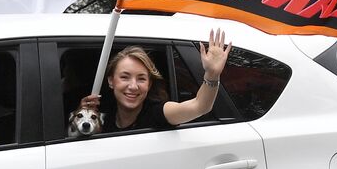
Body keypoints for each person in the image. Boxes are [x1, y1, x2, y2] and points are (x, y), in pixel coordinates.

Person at [79, 29, 232, 133]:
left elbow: (200, 106)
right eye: (125, 77)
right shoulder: (102, 112)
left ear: (149, 84)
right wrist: (82, 115)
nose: (133, 86)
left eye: (141, 78)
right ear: (111, 81)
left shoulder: (158, 113)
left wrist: (212, 74)